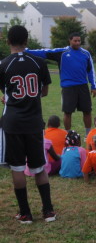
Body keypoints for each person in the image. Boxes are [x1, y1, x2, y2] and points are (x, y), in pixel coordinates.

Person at [0, 25, 55, 223]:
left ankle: (25, 213)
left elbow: (5, 93)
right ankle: (48, 211)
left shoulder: (3, 64)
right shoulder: (39, 62)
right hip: (33, 121)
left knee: (17, 167)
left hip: (12, 122)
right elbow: (45, 92)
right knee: (39, 167)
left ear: (8, 41)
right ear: (26, 41)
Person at [25, 32, 96, 135]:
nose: (77, 43)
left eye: (79, 41)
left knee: (87, 111)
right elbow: (44, 52)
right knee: (67, 112)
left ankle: (88, 134)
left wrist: (93, 86)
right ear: (70, 41)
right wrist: (26, 51)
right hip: (68, 87)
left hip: (83, 86)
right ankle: (68, 134)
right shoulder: (62, 53)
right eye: (75, 41)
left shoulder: (86, 54)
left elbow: (91, 71)